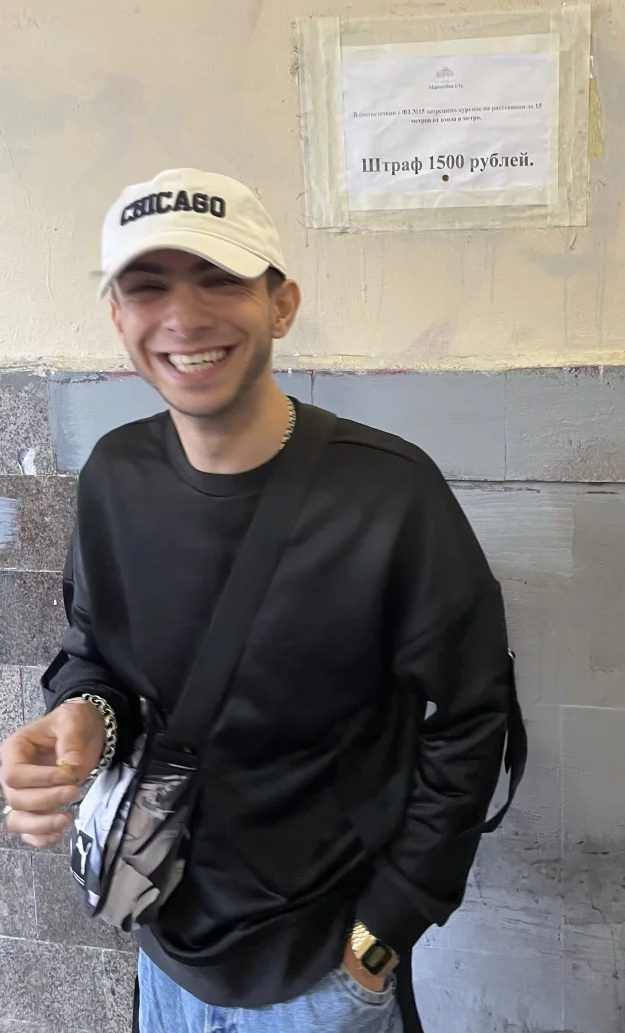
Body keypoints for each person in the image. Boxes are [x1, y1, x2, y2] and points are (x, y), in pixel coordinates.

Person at [0, 168, 521, 1033]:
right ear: (119, 319)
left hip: (325, 972)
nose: (184, 316)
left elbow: (473, 718)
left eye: (219, 279)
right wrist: (82, 719)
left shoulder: (390, 494)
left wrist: (382, 933)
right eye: (148, 286)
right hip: (165, 951)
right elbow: (96, 659)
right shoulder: (115, 479)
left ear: (282, 306)